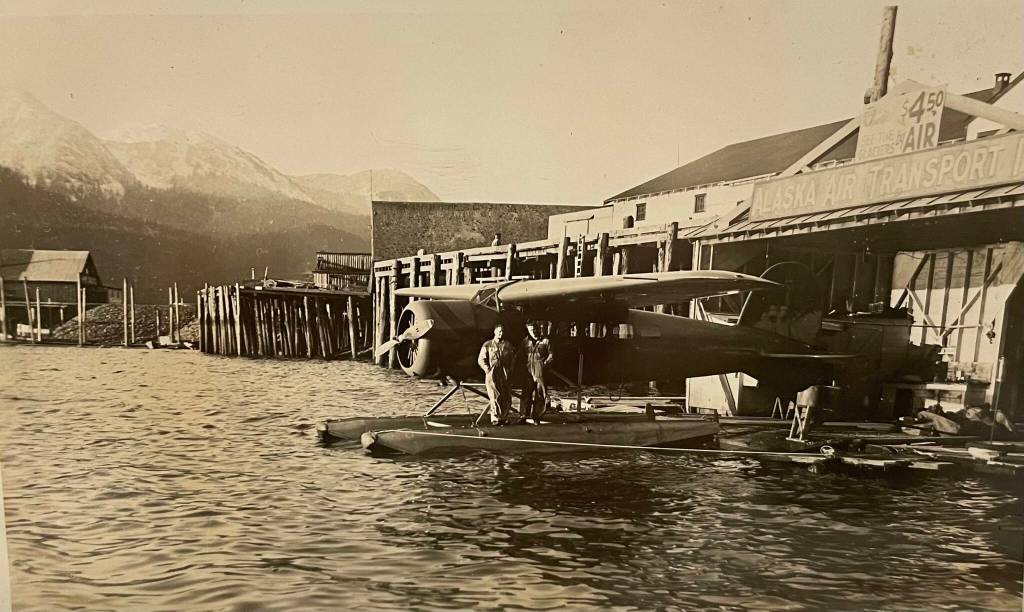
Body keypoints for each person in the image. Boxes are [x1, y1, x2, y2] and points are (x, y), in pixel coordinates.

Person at [478, 323, 516, 425]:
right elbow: (481, 359)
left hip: (505, 373)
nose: (501, 333)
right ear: (495, 332)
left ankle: (504, 417)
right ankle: (495, 418)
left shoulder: (508, 345)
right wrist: (487, 369)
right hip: (492, 373)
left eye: (503, 331)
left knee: (506, 395)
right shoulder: (488, 345)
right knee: (494, 396)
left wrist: (510, 370)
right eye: (499, 331)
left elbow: (513, 359)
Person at [520, 320, 554, 424]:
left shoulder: (546, 341)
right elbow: (520, 354)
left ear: (538, 329)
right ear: (528, 330)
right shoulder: (525, 341)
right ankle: (523, 416)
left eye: (534, 329)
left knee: (540, 393)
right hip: (529, 370)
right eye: (530, 330)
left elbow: (551, 355)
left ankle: (537, 417)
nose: (533, 332)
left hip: (540, 370)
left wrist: (545, 363)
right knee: (526, 393)